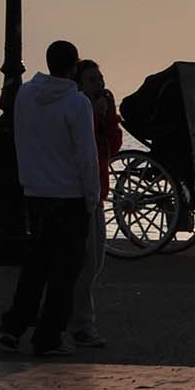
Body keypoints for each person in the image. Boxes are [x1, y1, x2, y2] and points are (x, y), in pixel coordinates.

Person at [0, 40, 100, 357]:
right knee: (64, 273)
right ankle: (48, 336)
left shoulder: (26, 94)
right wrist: (91, 195)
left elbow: (20, 136)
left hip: (36, 192)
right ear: (73, 67)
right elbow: (87, 154)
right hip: (68, 195)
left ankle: (13, 327)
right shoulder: (77, 103)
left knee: (35, 267)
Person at [68, 59, 122, 349]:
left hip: (97, 192)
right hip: (82, 194)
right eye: (92, 79)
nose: (99, 83)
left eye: (100, 78)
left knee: (95, 261)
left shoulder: (99, 109)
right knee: (87, 262)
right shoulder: (76, 110)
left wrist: (108, 117)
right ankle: (82, 324)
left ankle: (75, 319)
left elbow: (110, 147)